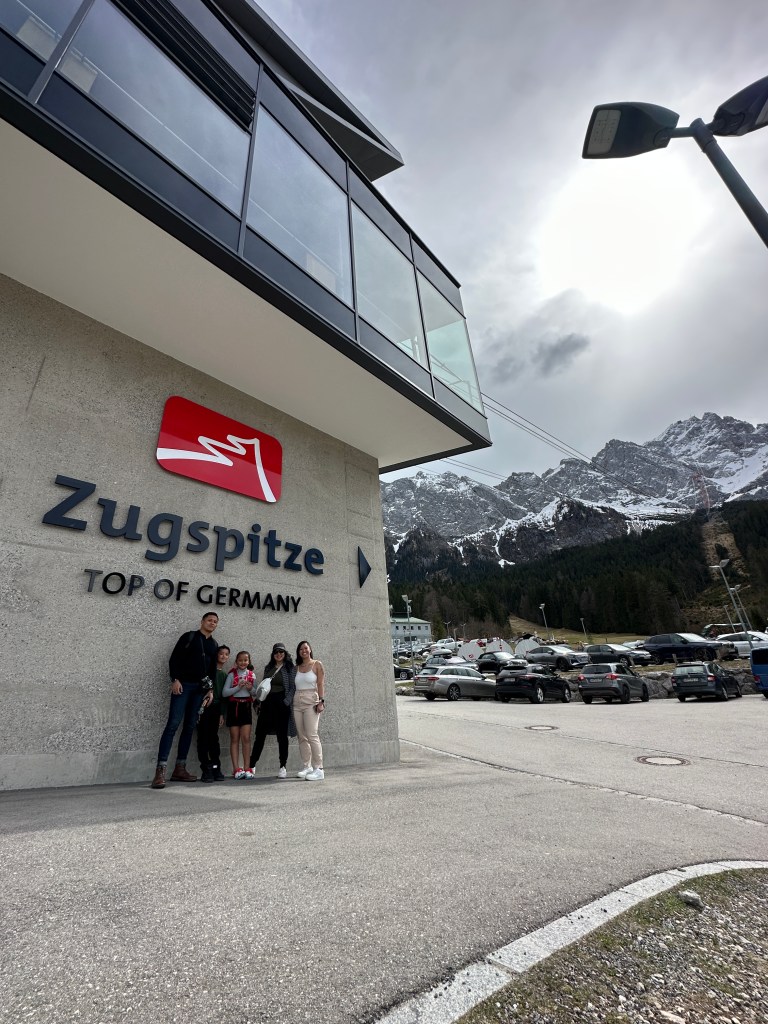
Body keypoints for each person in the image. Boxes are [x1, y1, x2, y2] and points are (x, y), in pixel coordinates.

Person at [152, 612, 219, 789]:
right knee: (173, 725)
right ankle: (160, 771)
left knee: (189, 727)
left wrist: (211, 690)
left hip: (200, 690)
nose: (212, 623)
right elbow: (174, 659)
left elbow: (212, 669)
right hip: (183, 686)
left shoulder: (213, 644)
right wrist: (175, 679)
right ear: (202, 621)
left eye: (215, 622)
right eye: (209, 620)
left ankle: (180, 769)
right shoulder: (189, 637)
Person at [249, 642, 296, 779]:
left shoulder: (290, 668)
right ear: (273, 654)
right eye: (276, 652)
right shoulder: (268, 668)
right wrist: (258, 701)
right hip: (267, 703)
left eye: (281, 652)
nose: (279, 654)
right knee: (260, 735)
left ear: (285, 653)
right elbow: (264, 687)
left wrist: (286, 701)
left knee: (282, 737)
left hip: (282, 703)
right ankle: (252, 765)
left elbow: (293, 687)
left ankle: (283, 766)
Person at [292, 640, 326, 781]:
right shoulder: (296, 667)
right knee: (301, 736)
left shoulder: (317, 664)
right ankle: (307, 766)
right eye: (301, 649)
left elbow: (320, 683)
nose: (304, 651)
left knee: (312, 735)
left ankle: (319, 769)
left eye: (305, 648)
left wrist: (321, 701)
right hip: (297, 702)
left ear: (310, 649)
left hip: (311, 701)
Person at [197, 643, 230, 783]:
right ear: (216, 655)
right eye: (221, 653)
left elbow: (224, 697)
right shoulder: (207, 671)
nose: (223, 656)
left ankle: (216, 767)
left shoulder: (224, 675)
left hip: (216, 709)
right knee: (203, 737)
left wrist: (222, 714)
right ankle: (206, 768)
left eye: (226, 654)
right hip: (204, 707)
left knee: (214, 738)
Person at [222, 651, 256, 779]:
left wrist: (250, 688)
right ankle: (236, 769)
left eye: (245, 660)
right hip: (234, 707)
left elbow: (256, 693)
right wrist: (237, 687)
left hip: (246, 706)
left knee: (246, 738)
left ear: (249, 661)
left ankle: (247, 768)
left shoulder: (252, 675)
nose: (243, 662)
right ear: (236, 661)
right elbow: (225, 693)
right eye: (240, 660)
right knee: (234, 738)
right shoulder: (231, 675)